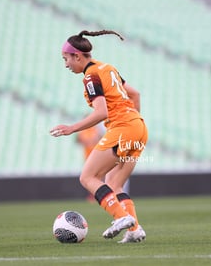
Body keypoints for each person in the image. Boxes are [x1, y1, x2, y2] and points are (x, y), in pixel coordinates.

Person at [50, 30, 148, 243]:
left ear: (77, 56)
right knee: (114, 183)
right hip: (139, 127)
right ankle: (135, 229)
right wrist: (133, 123)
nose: (66, 64)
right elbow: (135, 94)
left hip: (122, 128)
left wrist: (72, 128)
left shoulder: (90, 76)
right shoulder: (107, 67)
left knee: (87, 177)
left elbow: (101, 112)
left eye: (65, 59)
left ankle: (122, 218)